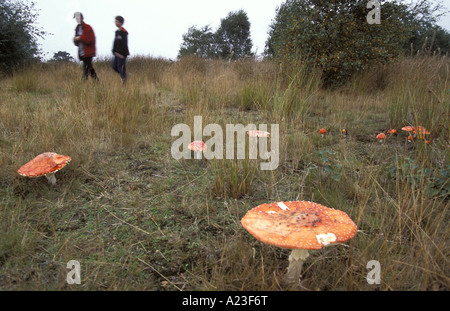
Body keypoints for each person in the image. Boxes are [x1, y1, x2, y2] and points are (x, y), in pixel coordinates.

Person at [73, 12, 99, 81]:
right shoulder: (77, 29)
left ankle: (84, 82)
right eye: (76, 18)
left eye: (78, 18)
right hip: (81, 52)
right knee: (88, 68)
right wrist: (75, 40)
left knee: (87, 67)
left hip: (88, 51)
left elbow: (90, 40)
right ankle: (96, 81)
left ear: (82, 18)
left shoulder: (88, 28)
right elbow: (77, 43)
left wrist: (80, 38)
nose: (77, 20)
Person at [111, 16, 130, 84]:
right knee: (114, 66)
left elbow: (125, 43)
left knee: (120, 67)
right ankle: (125, 75)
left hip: (122, 54)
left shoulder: (124, 32)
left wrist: (123, 54)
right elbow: (115, 42)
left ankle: (124, 80)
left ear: (121, 23)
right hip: (116, 53)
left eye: (117, 21)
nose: (115, 23)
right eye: (115, 21)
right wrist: (113, 50)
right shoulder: (117, 32)